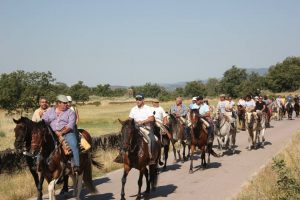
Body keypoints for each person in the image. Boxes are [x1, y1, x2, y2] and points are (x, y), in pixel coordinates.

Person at [42, 95, 80, 172]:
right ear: (58, 103)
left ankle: (77, 165)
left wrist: (61, 133)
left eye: (67, 103)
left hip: (67, 133)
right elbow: (44, 120)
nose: (67, 104)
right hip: (52, 133)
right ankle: (39, 163)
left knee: (74, 144)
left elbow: (70, 125)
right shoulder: (50, 111)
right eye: (64, 103)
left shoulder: (70, 112)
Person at [129, 94, 156, 160]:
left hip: (146, 128)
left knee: (152, 139)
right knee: (126, 138)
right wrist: (133, 122)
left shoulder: (147, 108)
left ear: (143, 100)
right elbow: (130, 119)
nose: (138, 101)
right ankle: (123, 155)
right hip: (135, 128)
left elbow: (152, 118)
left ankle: (152, 156)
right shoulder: (133, 109)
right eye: (137, 99)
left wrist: (142, 122)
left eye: (139, 99)